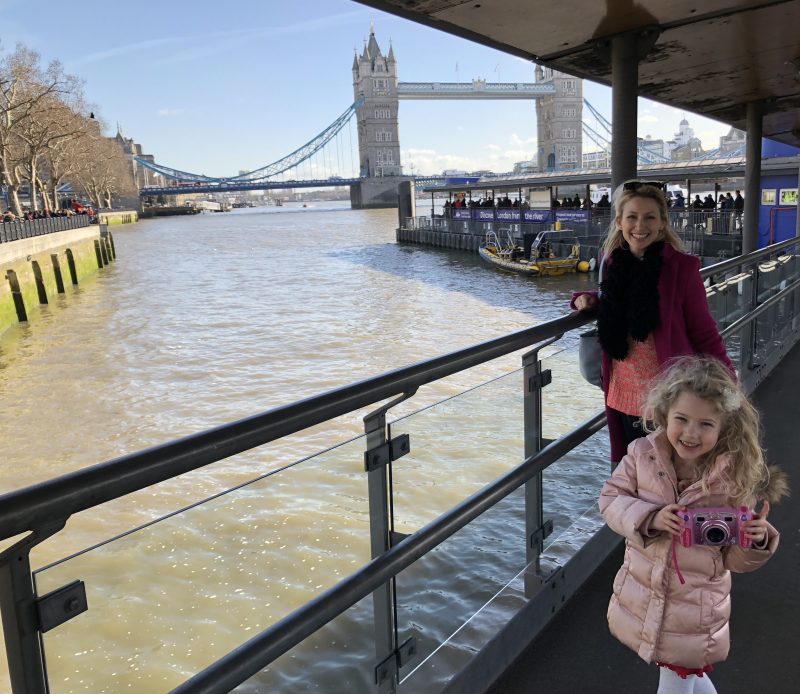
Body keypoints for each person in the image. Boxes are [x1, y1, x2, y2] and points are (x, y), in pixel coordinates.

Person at [599, 356, 788, 694]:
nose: (690, 433)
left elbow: (731, 558)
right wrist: (651, 517)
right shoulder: (642, 454)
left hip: (695, 607)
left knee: (679, 676)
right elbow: (611, 500)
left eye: (705, 424)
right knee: (686, 675)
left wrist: (752, 541)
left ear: (724, 427)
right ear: (664, 414)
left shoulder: (732, 477)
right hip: (647, 591)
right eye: (681, 419)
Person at [572, 180, 733, 462]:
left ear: (662, 223)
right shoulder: (613, 262)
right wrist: (585, 300)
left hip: (669, 396)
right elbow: (615, 300)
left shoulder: (682, 268)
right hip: (622, 392)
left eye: (649, 217)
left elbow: (705, 333)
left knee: (669, 473)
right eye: (632, 217)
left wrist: (730, 385)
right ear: (620, 221)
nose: (639, 225)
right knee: (633, 472)